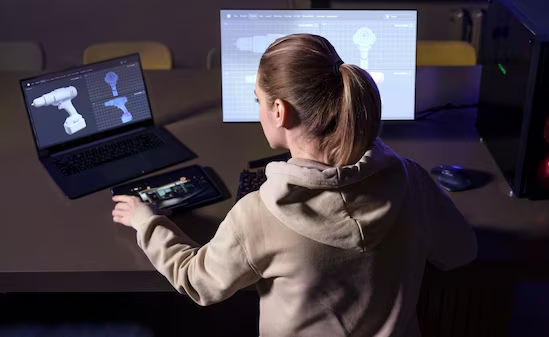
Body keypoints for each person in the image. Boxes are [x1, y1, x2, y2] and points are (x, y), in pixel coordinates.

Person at [112, 34, 477, 337]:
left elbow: (197, 281)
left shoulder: (258, 216)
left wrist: (147, 222)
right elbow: (460, 251)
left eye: (258, 100)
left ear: (279, 111)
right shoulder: (411, 179)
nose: (258, 110)